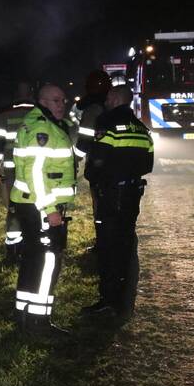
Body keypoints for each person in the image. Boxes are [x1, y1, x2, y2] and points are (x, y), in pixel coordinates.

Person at [81, 84, 154, 317]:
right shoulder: (142, 129)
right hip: (133, 193)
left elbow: (96, 162)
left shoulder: (107, 123)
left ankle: (108, 301)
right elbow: (148, 165)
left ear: (114, 98)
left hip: (111, 195)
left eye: (109, 95)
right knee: (126, 243)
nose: (105, 99)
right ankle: (125, 300)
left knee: (108, 247)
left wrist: (95, 176)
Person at [10, 84, 77, 334]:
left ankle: (24, 314)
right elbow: (35, 173)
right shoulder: (42, 127)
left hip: (30, 203)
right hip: (39, 204)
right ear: (43, 101)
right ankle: (39, 323)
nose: (63, 104)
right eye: (57, 100)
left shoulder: (39, 122)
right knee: (48, 259)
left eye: (64, 100)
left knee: (33, 259)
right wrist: (49, 209)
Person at [0, 81, 35, 264]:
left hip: (12, 171)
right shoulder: (39, 114)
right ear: (31, 93)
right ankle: (32, 245)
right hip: (35, 169)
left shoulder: (4, 115)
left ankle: (13, 250)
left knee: (14, 209)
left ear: (16, 94)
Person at [73, 69, 113, 250]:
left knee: (100, 206)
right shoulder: (113, 106)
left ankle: (103, 243)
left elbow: (84, 142)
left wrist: (73, 159)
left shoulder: (91, 110)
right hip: (116, 163)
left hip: (99, 166)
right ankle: (112, 240)